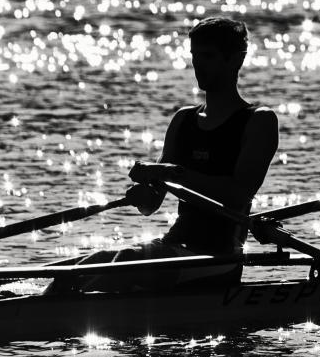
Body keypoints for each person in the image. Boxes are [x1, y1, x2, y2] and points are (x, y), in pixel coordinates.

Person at [51, 16, 278, 292]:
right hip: (174, 245)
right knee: (82, 267)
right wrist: (141, 192)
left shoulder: (259, 121)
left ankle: (63, 319)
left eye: (208, 56)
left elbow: (237, 194)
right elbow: (151, 205)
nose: (197, 65)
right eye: (194, 56)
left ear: (236, 60)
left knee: (128, 262)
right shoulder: (184, 120)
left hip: (218, 257)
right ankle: (36, 316)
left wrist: (171, 173)